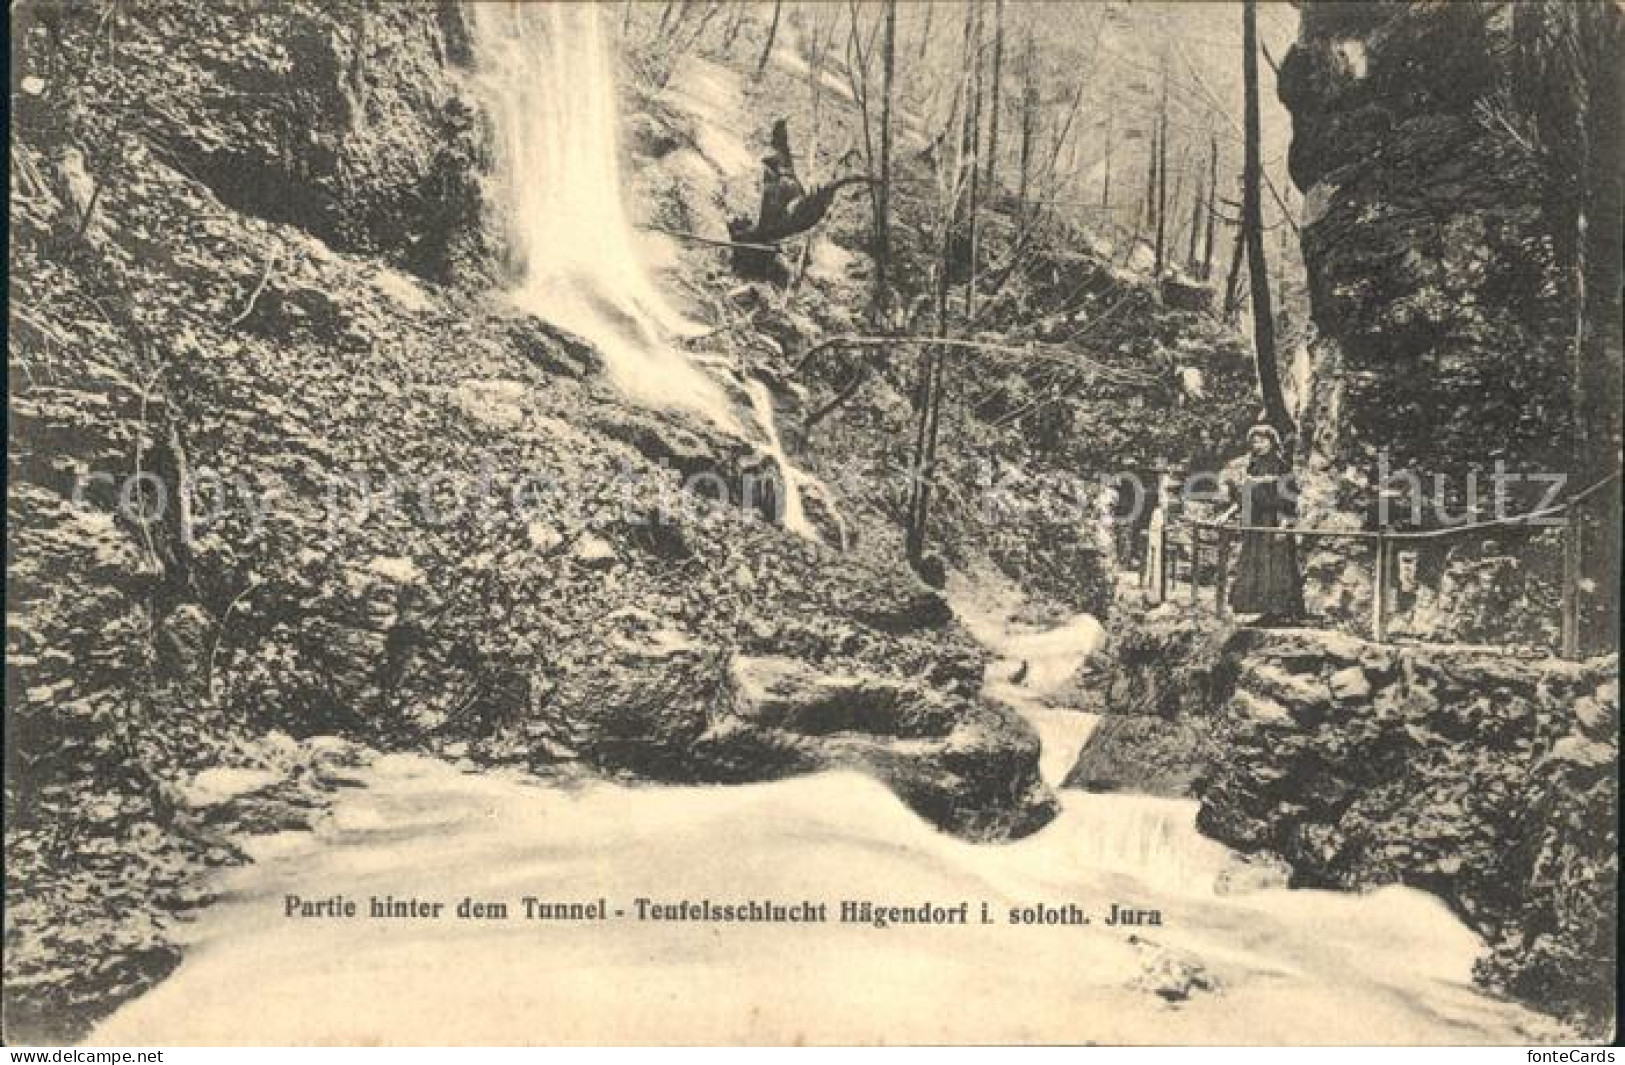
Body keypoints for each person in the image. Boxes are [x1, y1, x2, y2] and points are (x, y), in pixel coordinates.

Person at [1225, 423, 1304, 623]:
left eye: (1261, 440)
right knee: (1254, 562)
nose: (1257, 445)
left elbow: (1290, 497)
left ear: (1271, 442)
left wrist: (1284, 523)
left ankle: (1278, 611)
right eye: (1254, 441)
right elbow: (1245, 496)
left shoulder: (1281, 465)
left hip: (1273, 520)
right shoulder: (1253, 465)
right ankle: (1255, 608)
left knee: (1275, 564)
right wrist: (1229, 513)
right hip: (1254, 522)